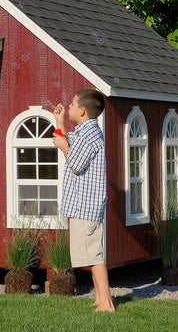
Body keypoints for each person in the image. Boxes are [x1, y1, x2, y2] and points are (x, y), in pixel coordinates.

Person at [53, 88, 115, 312]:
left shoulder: (90, 136)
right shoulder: (83, 131)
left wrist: (63, 147)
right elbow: (65, 140)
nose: (68, 106)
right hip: (81, 206)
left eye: (71, 104)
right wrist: (59, 122)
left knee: (95, 255)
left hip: (87, 206)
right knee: (89, 256)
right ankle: (99, 299)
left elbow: (76, 166)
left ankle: (106, 302)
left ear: (82, 111)